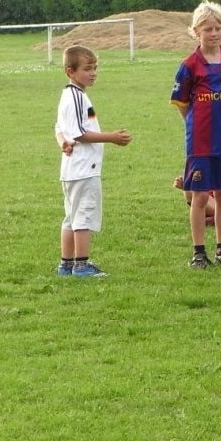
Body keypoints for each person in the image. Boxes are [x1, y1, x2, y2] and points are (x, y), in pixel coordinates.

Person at [171, 0, 221, 269]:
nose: (213, 33)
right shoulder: (190, 65)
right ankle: (199, 252)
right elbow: (181, 103)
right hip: (200, 143)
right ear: (196, 32)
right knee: (201, 196)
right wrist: (195, 125)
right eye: (207, 29)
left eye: (217, 28)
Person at [54, 45, 132, 277]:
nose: (93, 73)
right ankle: (81, 265)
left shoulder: (71, 95)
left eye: (95, 68)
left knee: (71, 217)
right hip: (84, 169)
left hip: (72, 169)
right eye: (87, 69)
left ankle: (66, 264)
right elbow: (79, 133)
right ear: (70, 71)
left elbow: (60, 128)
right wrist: (112, 137)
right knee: (83, 217)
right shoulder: (76, 97)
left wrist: (62, 142)